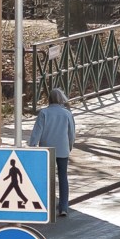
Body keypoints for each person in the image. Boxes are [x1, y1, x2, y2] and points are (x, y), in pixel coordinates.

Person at [30, 85, 77, 216]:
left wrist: (33, 146)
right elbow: (71, 134)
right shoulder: (67, 114)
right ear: (61, 99)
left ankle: (47, 205)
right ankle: (63, 207)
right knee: (63, 177)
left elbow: (37, 132)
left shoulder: (44, 113)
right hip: (62, 149)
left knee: (47, 178)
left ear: (49, 99)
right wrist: (70, 146)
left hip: (47, 149)